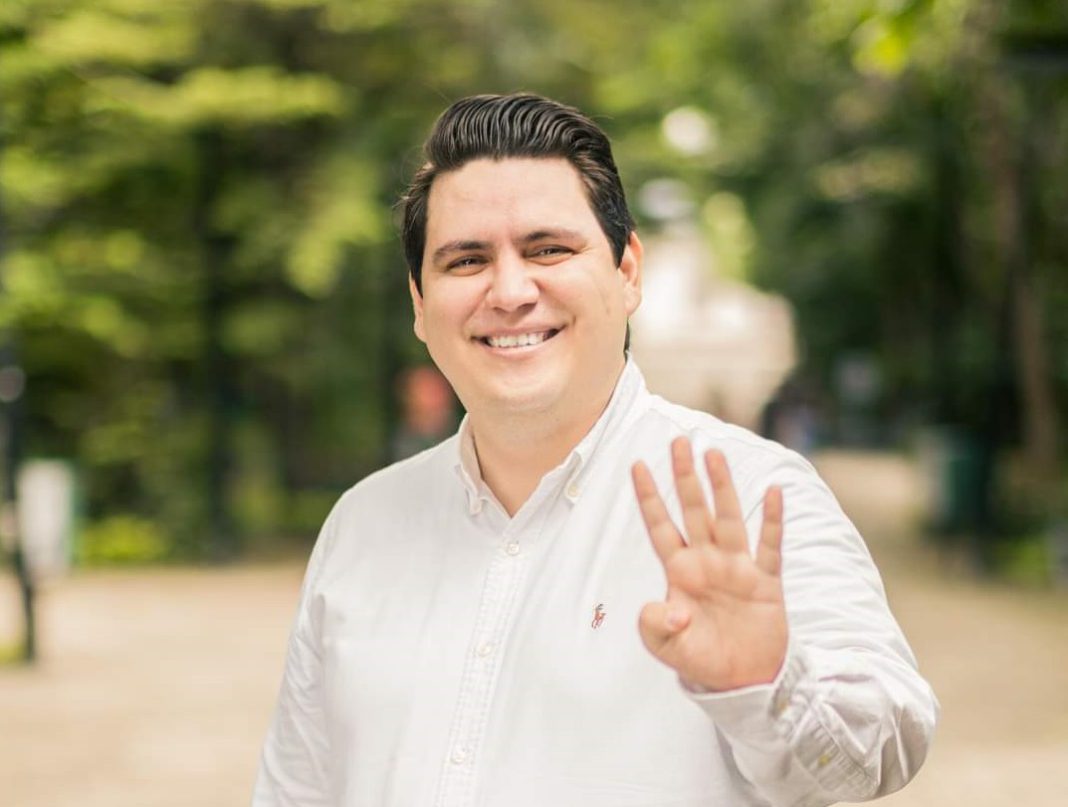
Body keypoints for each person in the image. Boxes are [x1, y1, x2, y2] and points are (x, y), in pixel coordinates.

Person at [253, 93, 938, 807]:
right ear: (420, 304)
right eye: (467, 260)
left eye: (548, 249)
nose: (510, 291)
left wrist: (764, 688)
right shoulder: (361, 525)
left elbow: (883, 743)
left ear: (627, 271)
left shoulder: (749, 493)